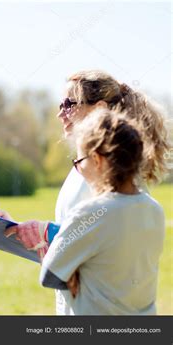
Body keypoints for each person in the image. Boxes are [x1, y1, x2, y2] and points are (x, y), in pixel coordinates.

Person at [0, 70, 169, 314]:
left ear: (98, 109)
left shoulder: (108, 175)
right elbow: (82, 237)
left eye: (69, 104)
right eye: (59, 104)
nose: (60, 113)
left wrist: (45, 235)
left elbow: (109, 241)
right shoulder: (88, 171)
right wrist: (29, 231)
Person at [40, 109, 164, 314]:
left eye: (79, 162)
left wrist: (76, 273)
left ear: (96, 160)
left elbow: (50, 275)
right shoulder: (155, 210)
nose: (79, 170)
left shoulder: (90, 213)